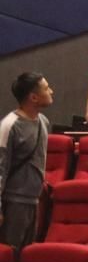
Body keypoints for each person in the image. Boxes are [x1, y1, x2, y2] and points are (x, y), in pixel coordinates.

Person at [0, 72, 53, 249]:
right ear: (33, 97)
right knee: (10, 253)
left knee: (27, 253)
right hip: (13, 201)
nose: (51, 91)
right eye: (46, 88)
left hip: (34, 199)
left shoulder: (43, 121)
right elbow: (1, 168)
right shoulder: (10, 125)